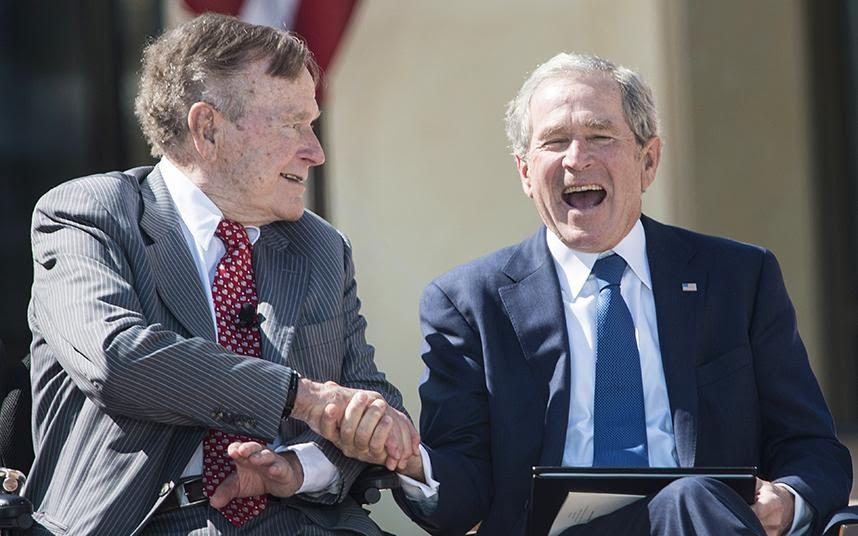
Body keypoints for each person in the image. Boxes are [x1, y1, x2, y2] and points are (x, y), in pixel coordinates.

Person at [367, 53, 850, 535]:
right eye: (555, 141)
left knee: (689, 499)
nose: (577, 159)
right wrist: (412, 462)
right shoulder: (469, 303)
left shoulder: (738, 279)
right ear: (525, 173)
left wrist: (786, 501)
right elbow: (459, 500)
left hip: (695, 520)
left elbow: (810, 446)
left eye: (600, 136)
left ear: (648, 160)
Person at [24, 13, 418, 536]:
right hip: (143, 522)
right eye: (292, 124)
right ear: (207, 128)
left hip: (300, 521)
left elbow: (368, 397)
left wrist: (301, 468)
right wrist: (299, 397)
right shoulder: (89, 214)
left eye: (313, 123)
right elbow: (117, 359)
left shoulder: (319, 246)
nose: (316, 151)